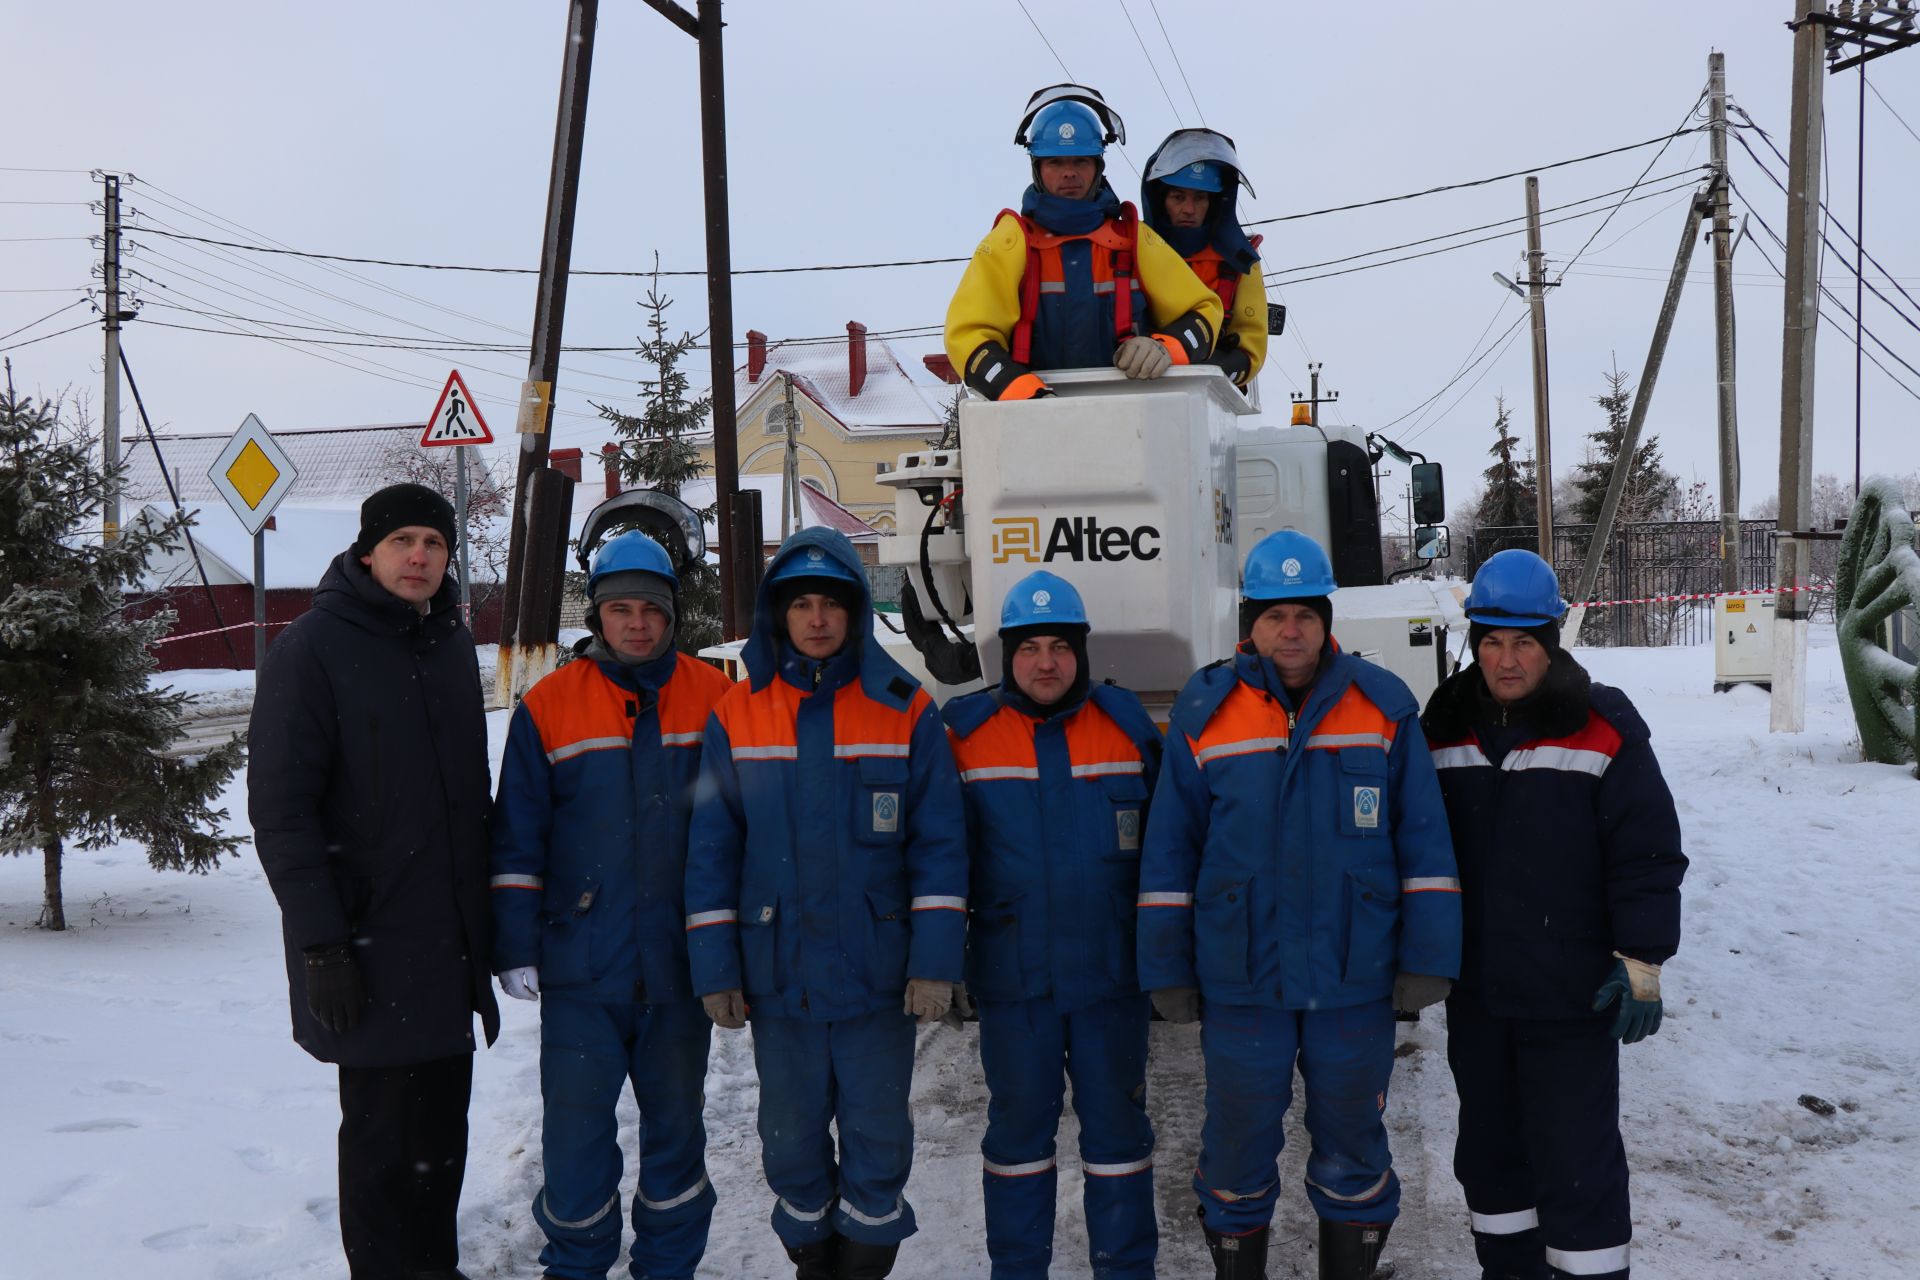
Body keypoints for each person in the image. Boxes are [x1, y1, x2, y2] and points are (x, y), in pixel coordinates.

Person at [1136, 530, 1461, 1280]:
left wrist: (1428, 958)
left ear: (1326, 621)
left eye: (1305, 616)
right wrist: (1167, 969)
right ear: (1249, 622)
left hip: (1356, 974)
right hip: (1241, 975)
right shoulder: (1205, 710)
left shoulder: (1382, 707)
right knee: (1237, 1142)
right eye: (1275, 616)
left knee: (1353, 1141)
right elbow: (1169, 852)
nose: (1291, 631)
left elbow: (1425, 843)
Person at [684, 528, 968, 1280]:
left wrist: (934, 961)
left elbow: (939, 845)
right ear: (780, 616)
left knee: (878, 1139)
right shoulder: (738, 713)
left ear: (854, 614)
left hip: (878, 977)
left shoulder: (907, 712)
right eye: (800, 604)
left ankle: (864, 1266)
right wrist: (717, 966)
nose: (816, 619)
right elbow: (712, 847)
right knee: (789, 1142)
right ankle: (813, 1261)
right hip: (780, 978)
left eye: (830, 604)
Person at [250, 482, 499, 1280]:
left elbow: (466, 795)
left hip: (444, 943)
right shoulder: (313, 649)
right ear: (368, 552)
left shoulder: (449, 643)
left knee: (440, 1141)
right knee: (383, 1148)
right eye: (402, 543)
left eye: (433, 542)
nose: (419, 556)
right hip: (366, 948)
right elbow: (283, 814)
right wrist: (323, 945)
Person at [1420, 550, 1687, 1280]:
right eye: (1491, 641)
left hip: (1571, 999)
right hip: (1478, 995)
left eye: (1524, 643)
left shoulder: (1603, 728)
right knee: (1491, 1162)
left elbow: (1648, 853)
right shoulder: (1441, 727)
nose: (1506, 660)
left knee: (1577, 1168)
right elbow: (1413, 852)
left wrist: (1641, 956)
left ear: (1552, 641)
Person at [489, 531, 734, 1280]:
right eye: (619, 609)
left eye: (650, 610)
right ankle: (577, 1264)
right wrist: (516, 945)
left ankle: (668, 1266)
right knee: (576, 1138)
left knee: (677, 1134)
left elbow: (744, 828)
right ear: (597, 617)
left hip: (678, 967)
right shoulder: (550, 706)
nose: (636, 624)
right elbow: (517, 836)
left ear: (672, 615)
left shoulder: (718, 697)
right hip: (581, 967)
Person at [942, 571, 1165, 1279]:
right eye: (1030, 647)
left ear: (1082, 653)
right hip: (1016, 986)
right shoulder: (965, 736)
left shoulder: (1129, 728)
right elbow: (940, 859)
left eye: (1061, 647)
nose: (1046, 663)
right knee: (1017, 1143)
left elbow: (1171, 852)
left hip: (1110, 981)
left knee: (1119, 1141)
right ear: (1007, 656)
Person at [945, 84, 1223, 401]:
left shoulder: (1133, 240)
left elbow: (1205, 312)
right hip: (1029, 427)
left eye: (1081, 161)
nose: (1069, 173)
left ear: (1098, 165)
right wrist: (1023, 395)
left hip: (1133, 421)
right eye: (1056, 162)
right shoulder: (1009, 243)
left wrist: (1166, 348)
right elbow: (967, 337)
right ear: (1036, 167)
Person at [1141, 128, 1269, 389]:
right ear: (1160, 199)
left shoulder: (1240, 263)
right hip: (1138, 384)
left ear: (1215, 203)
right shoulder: (1136, 249)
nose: (1189, 209)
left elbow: (1250, 351)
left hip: (1208, 399)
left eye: (1200, 198)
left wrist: (1208, 369)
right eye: (1178, 197)